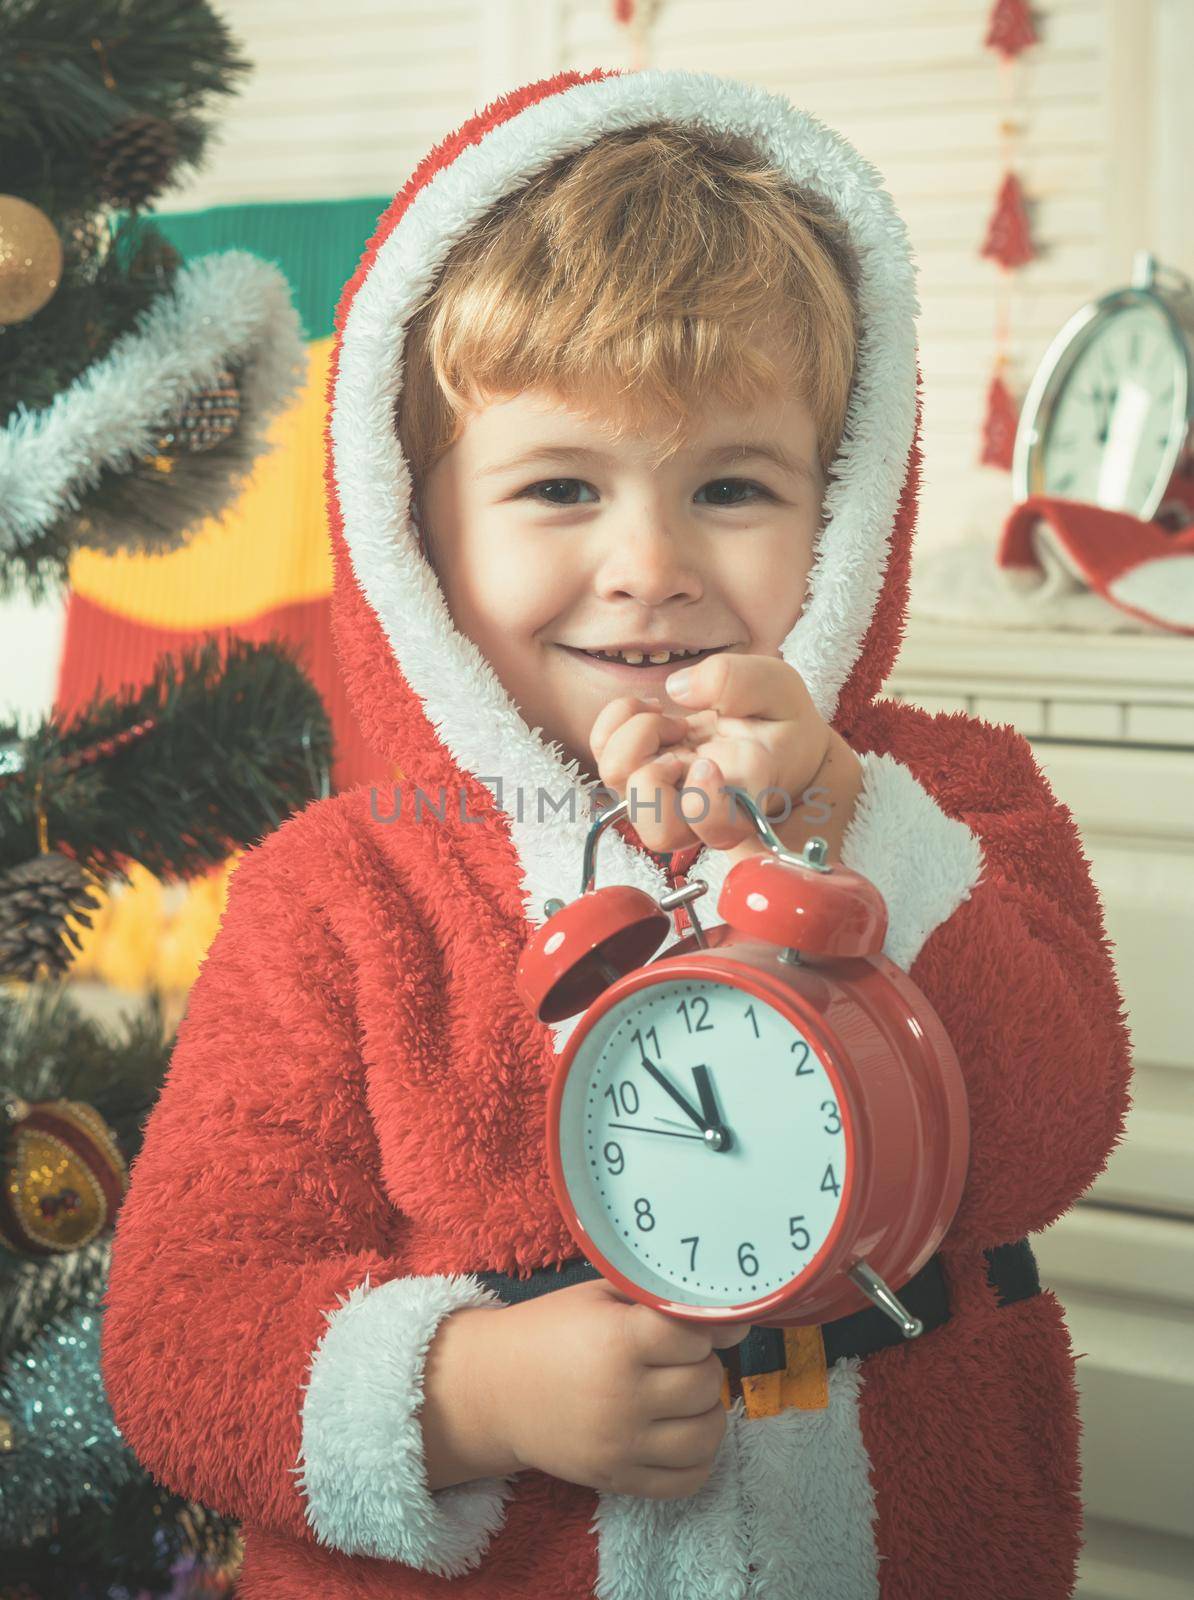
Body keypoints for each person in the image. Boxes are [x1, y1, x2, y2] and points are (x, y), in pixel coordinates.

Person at [100, 66, 1133, 1600]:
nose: (645, 566)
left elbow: (1049, 1130)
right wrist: (466, 1394)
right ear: (415, 527)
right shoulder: (343, 891)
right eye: (560, 486)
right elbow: (179, 1336)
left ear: (839, 510)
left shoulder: (949, 804)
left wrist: (844, 828)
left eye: (729, 484)